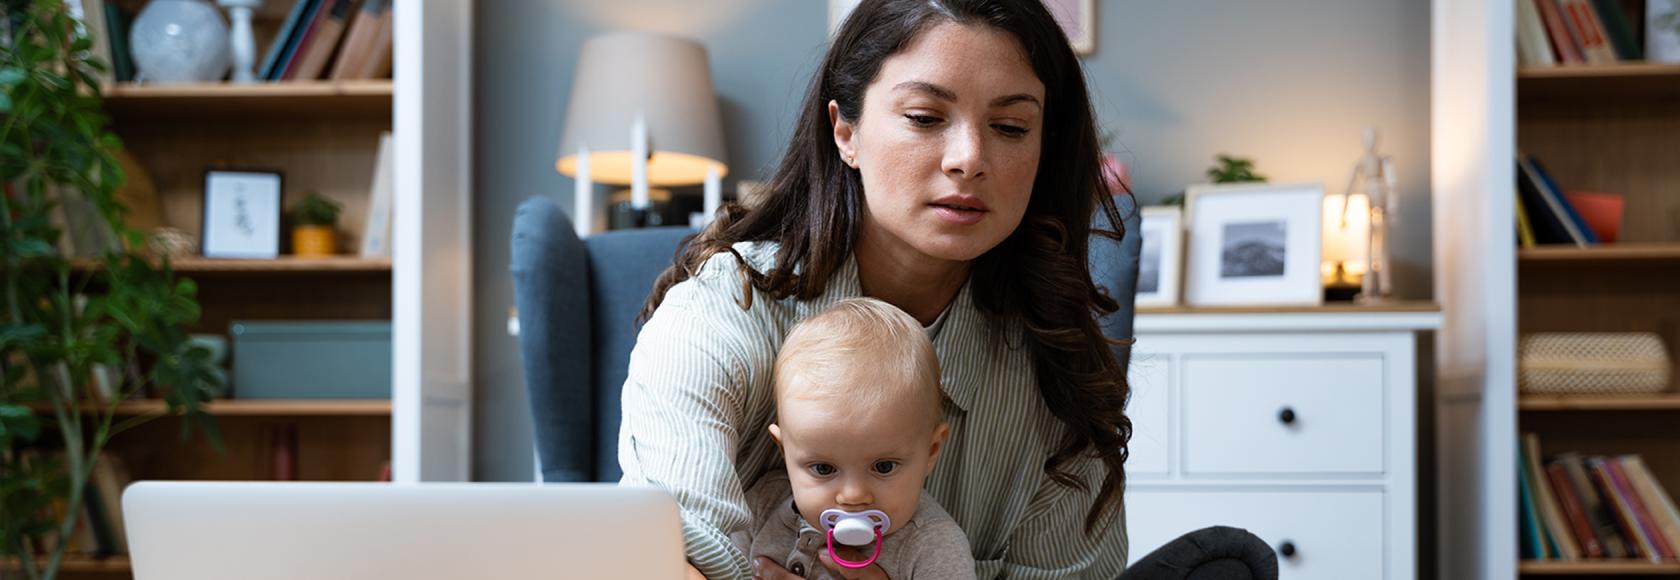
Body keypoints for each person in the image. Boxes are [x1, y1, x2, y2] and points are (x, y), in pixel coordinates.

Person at [618, 0, 1134, 578]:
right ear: (846, 131)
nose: (969, 159)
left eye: (1010, 127)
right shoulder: (721, 314)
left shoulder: (1058, 376)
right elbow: (669, 555)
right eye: (924, 117)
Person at [733, 297, 974, 579]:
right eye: (823, 468)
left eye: (884, 466)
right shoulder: (760, 506)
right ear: (785, 451)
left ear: (931, 450)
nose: (853, 495)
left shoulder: (935, 549)